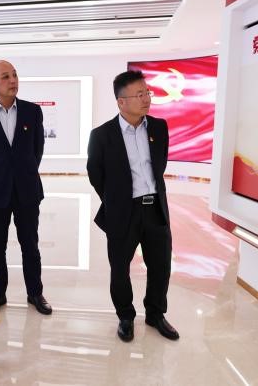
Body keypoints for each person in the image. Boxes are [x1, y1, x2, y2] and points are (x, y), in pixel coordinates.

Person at [86, 70, 179, 342]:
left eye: (147, 92)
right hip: (122, 212)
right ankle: (125, 316)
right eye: (139, 94)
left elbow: (159, 166)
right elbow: (95, 174)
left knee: (160, 266)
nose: (146, 98)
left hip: (155, 209)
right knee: (120, 268)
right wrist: (115, 200)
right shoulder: (102, 135)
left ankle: (155, 314)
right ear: (121, 101)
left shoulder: (159, 128)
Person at [0, 60, 51, 315]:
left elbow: (37, 150)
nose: (12, 80)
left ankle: (35, 293)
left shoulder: (32, 111)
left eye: (14, 75)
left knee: (30, 245)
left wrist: (23, 172)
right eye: (5, 77)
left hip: (27, 190)